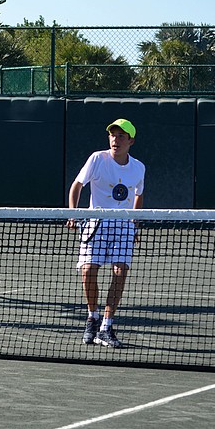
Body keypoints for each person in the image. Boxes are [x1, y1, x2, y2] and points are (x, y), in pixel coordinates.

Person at [66, 118, 145, 349]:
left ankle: (106, 326)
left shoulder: (139, 167)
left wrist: (134, 224)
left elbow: (139, 194)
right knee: (88, 270)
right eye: (112, 135)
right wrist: (73, 214)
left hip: (123, 226)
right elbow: (77, 185)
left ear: (131, 141)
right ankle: (93, 317)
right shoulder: (97, 159)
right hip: (96, 222)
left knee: (120, 272)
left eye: (121, 136)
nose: (115, 139)